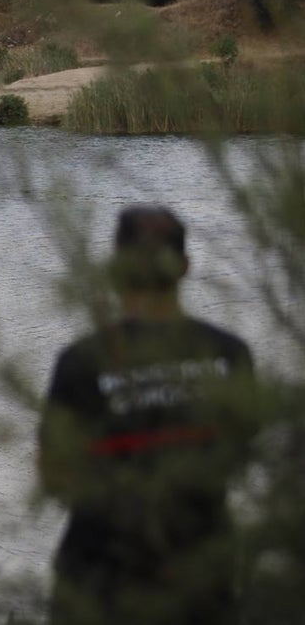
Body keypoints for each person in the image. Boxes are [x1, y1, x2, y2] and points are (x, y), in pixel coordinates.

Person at [38, 205, 258, 625]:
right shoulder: (230, 354)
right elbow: (241, 456)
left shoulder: (80, 361)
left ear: (116, 270)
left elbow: (54, 477)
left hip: (98, 580)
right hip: (199, 576)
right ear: (185, 267)